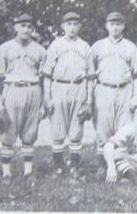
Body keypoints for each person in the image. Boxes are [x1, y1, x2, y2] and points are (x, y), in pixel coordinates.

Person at [0, 13, 47, 184]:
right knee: (8, 130)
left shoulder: (40, 50)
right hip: (12, 90)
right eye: (22, 26)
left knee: (30, 131)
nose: (26, 29)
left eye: (29, 26)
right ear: (15, 27)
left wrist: (43, 102)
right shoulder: (4, 48)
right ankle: (6, 173)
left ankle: (28, 171)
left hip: (33, 90)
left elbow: (43, 78)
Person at [41, 11, 95, 178]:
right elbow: (47, 75)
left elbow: (90, 76)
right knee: (57, 129)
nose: (72, 27)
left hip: (79, 88)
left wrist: (89, 99)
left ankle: (75, 166)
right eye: (69, 24)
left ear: (79, 26)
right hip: (59, 87)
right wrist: (48, 98)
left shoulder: (85, 46)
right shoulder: (55, 45)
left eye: (75, 24)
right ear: (63, 26)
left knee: (76, 130)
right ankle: (58, 165)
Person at [91, 12, 137, 149]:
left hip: (124, 90)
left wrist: (135, 97)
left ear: (123, 26)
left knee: (124, 129)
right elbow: (91, 74)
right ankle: (103, 165)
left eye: (118, 25)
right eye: (112, 24)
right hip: (104, 88)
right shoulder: (98, 46)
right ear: (107, 26)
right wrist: (91, 96)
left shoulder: (131, 47)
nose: (115, 28)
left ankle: (121, 165)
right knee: (103, 128)